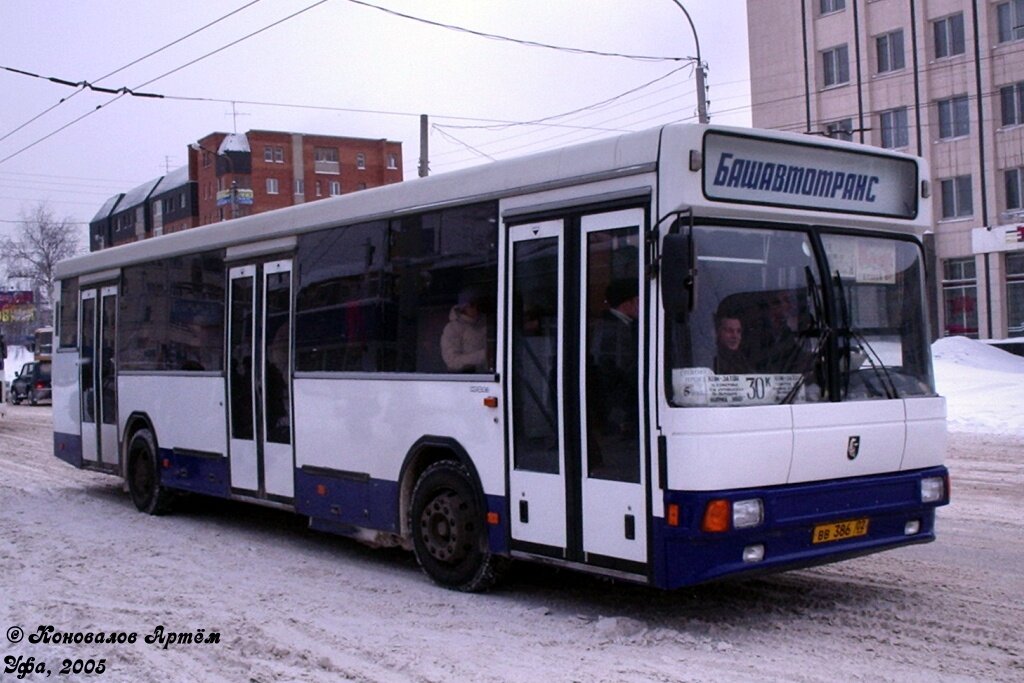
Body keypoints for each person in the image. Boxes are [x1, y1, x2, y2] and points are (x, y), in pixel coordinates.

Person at [441, 288, 489, 373]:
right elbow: (452, 361)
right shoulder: (452, 328)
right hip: (463, 378)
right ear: (463, 307)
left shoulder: (487, 324)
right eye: (472, 304)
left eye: (479, 304)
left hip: (488, 376)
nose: (476, 308)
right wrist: (484, 355)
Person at [713, 309, 753, 374]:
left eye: (738, 331)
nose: (735, 336)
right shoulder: (712, 359)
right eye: (730, 331)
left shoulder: (742, 361)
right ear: (718, 333)